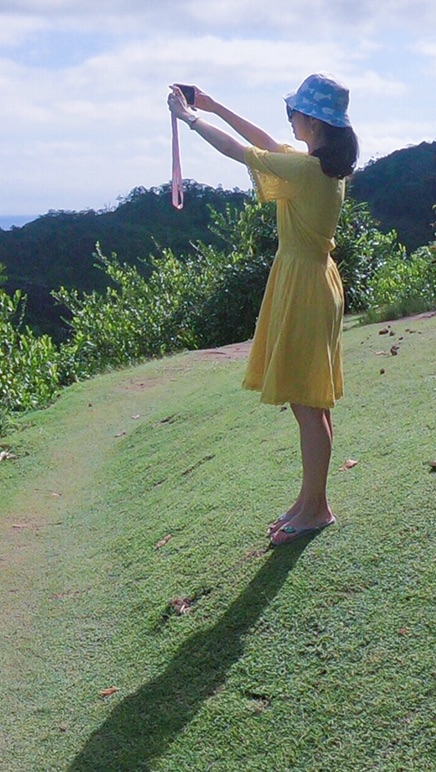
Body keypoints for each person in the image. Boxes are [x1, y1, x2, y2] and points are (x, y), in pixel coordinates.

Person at [168, 74, 359, 544]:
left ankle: (316, 509)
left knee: (308, 404)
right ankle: (311, 501)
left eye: (293, 111)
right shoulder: (317, 165)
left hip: (306, 284)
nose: (288, 119)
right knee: (312, 403)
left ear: (311, 121)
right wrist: (212, 104)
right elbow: (265, 142)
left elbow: (241, 152)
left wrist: (189, 118)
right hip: (313, 279)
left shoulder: (307, 171)